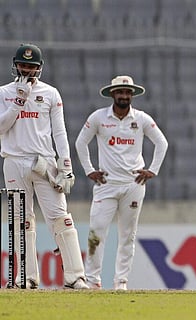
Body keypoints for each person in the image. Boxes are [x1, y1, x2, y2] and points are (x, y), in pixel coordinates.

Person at [0, 43, 88, 289]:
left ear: (39, 68)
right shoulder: (3, 93)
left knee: (61, 218)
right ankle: (27, 277)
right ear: (15, 64)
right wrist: (18, 102)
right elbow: (1, 127)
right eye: (23, 65)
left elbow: (59, 132)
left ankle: (75, 277)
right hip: (14, 162)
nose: (26, 70)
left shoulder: (50, 93)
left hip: (44, 163)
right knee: (21, 220)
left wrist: (65, 165)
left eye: (31, 66)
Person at [75, 75, 168, 291]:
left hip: (133, 184)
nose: (124, 96)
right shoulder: (99, 117)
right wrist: (89, 170)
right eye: (119, 92)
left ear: (132, 95)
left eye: (127, 92)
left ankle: (121, 281)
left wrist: (152, 170)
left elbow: (161, 143)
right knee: (96, 232)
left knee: (128, 235)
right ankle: (92, 280)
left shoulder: (142, 118)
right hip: (106, 184)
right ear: (112, 94)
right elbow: (81, 143)